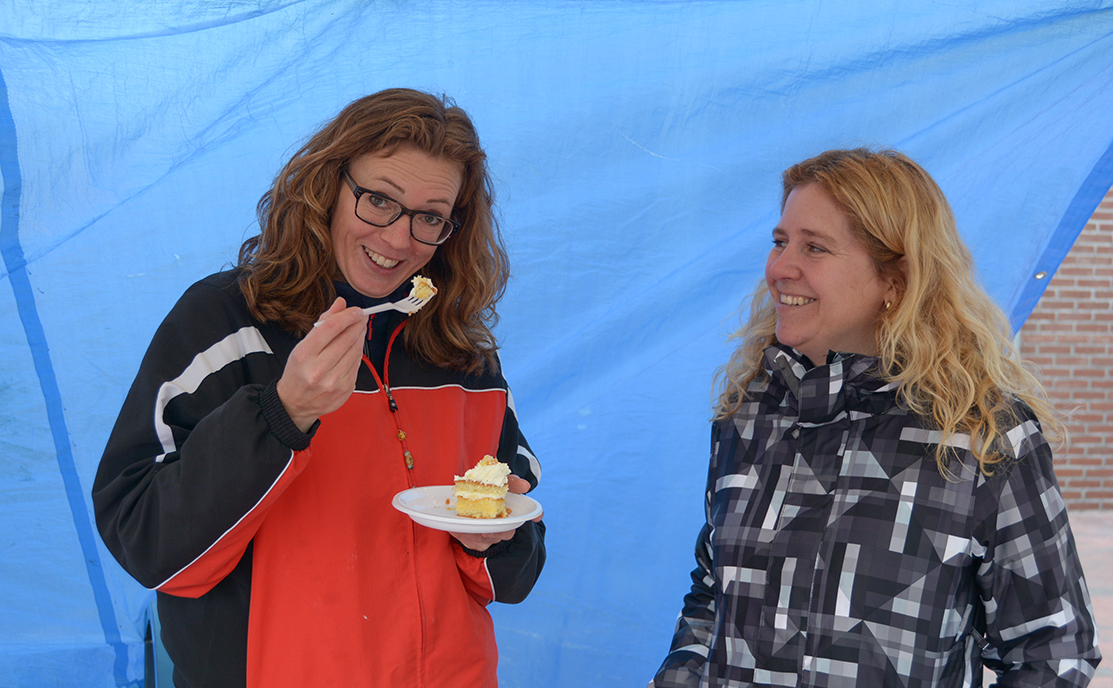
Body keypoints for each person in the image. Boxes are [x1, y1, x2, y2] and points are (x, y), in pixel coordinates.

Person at [92, 88, 545, 688]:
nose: (399, 239)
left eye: (431, 216)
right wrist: (282, 412)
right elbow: (146, 543)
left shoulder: (463, 360)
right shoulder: (226, 324)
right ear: (327, 187)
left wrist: (492, 539)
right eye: (379, 200)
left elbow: (515, 578)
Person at [650, 148, 1100, 687]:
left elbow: (1053, 654)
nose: (780, 268)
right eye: (780, 241)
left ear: (895, 279)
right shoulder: (749, 413)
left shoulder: (981, 436)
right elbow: (713, 595)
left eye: (814, 247)